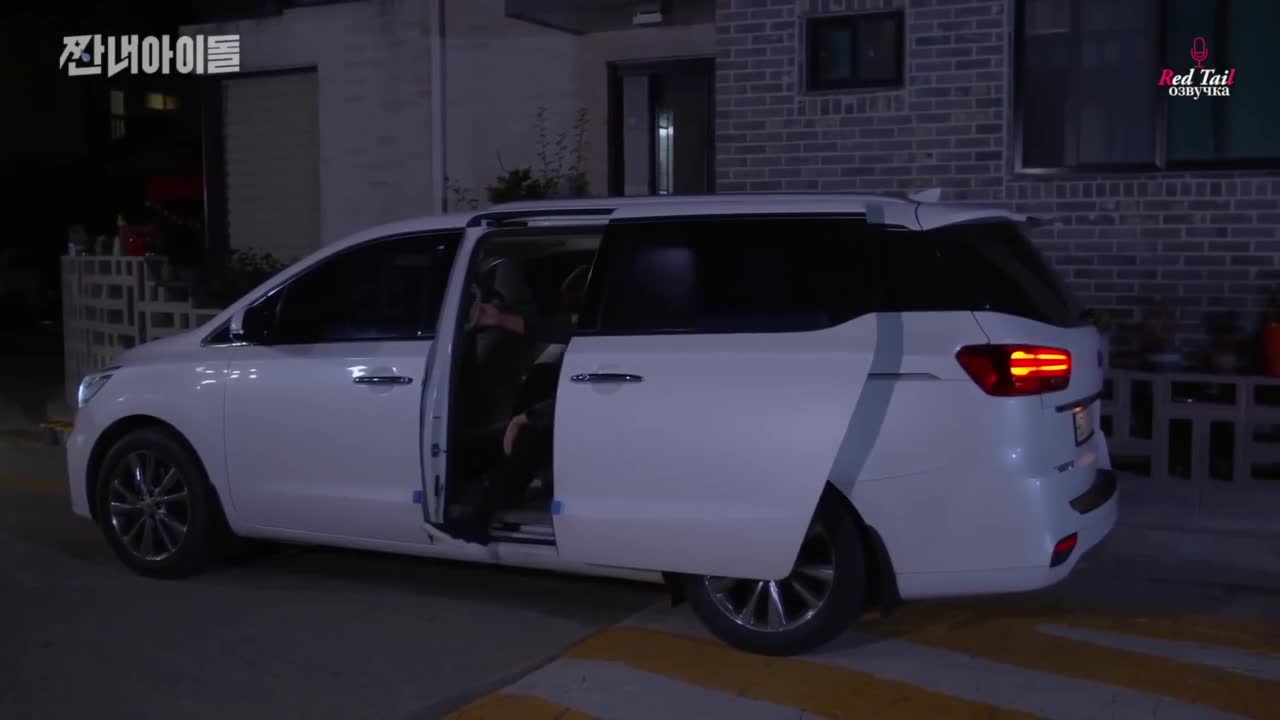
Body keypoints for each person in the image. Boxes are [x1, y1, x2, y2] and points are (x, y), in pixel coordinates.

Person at [449, 267, 587, 544]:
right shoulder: (584, 333)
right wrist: (499, 318)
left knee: (531, 436)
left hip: (573, 425)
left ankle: (480, 516)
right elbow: (551, 329)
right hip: (561, 418)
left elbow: (579, 404)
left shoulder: (607, 339)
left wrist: (527, 417)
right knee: (479, 444)